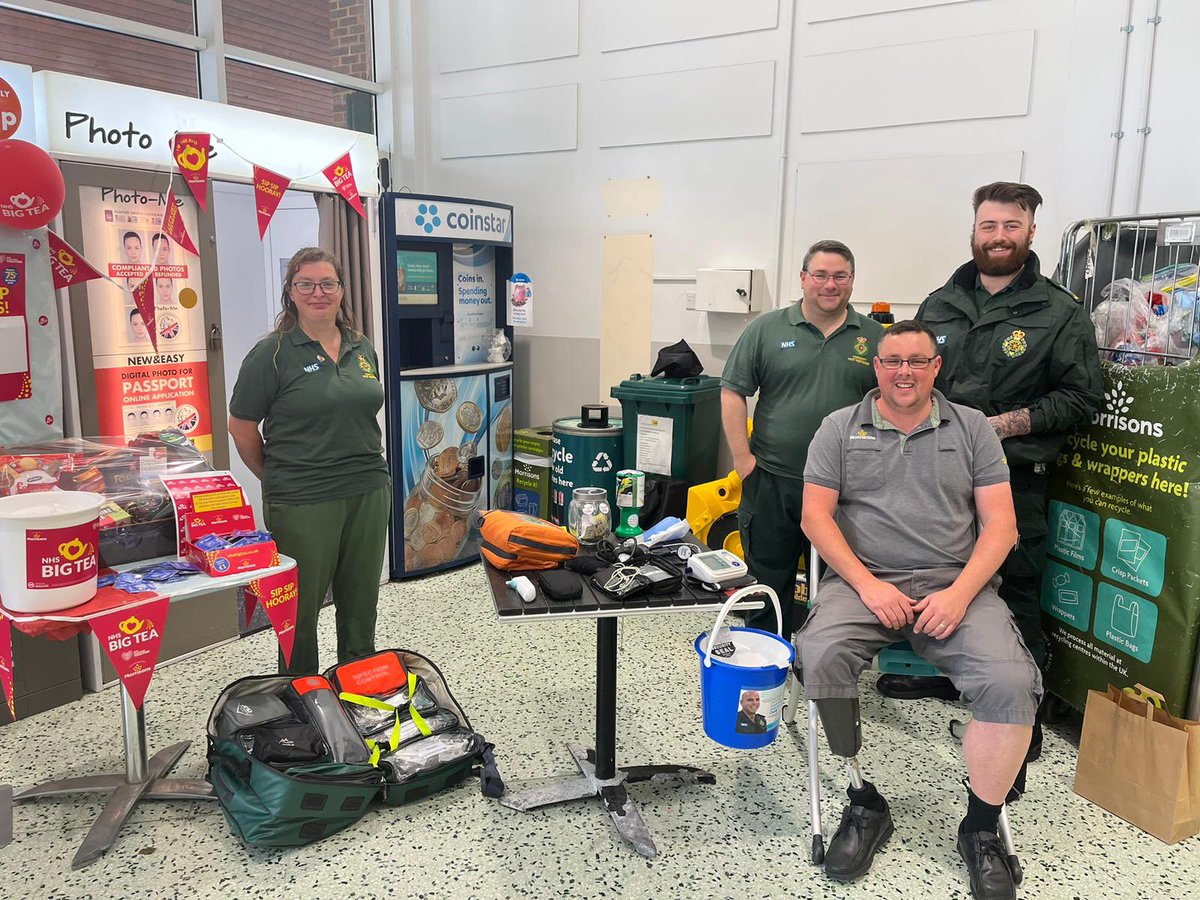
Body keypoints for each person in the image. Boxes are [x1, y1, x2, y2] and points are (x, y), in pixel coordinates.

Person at [798, 320, 1039, 900]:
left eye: (917, 361)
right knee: (820, 653)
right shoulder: (838, 428)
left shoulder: (973, 428)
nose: (903, 371)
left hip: (955, 586)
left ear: (936, 368)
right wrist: (867, 584)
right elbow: (814, 518)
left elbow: (1002, 525)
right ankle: (863, 800)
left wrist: (958, 595)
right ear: (875, 367)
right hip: (863, 583)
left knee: (1010, 682)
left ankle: (981, 830)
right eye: (891, 361)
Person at [881, 183, 1103, 760]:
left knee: (1013, 591)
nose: (998, 237)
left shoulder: (1059, 313)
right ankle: (952, 677)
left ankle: (1018, 721)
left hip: (1011, 479)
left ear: (1031, 233)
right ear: (973, 230)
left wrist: (1000, 426)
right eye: (988, 226)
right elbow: (915, 378)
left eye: (1011, 226)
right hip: (936, 477)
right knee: (937, 577)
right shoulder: (940, 304)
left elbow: (1081, 399)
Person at [228, 248, 390, 675]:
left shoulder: (361, 345)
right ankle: (301, 699)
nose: (318, 293)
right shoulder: (273, 353)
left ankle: (357, 687)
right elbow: (242, 426)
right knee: (299, 612)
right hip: (302, 499)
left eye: (327, 284)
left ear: (340, 290)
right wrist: (277, 475)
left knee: (360, 604)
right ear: (291, 292)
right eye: (306, 284)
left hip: (368, 488)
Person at [721, 240, 883, 639]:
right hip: (773, 479)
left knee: (837, 587)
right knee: (766, 583)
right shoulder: (766, 329)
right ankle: (765, 662)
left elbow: (895, 402)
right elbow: (732, 391)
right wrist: (744, 462)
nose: (830, 284)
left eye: (840, 276)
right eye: (821, 275)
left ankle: (822, 666)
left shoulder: (875, 336)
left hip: (846, 487)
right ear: (803, 278)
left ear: (852, 281)